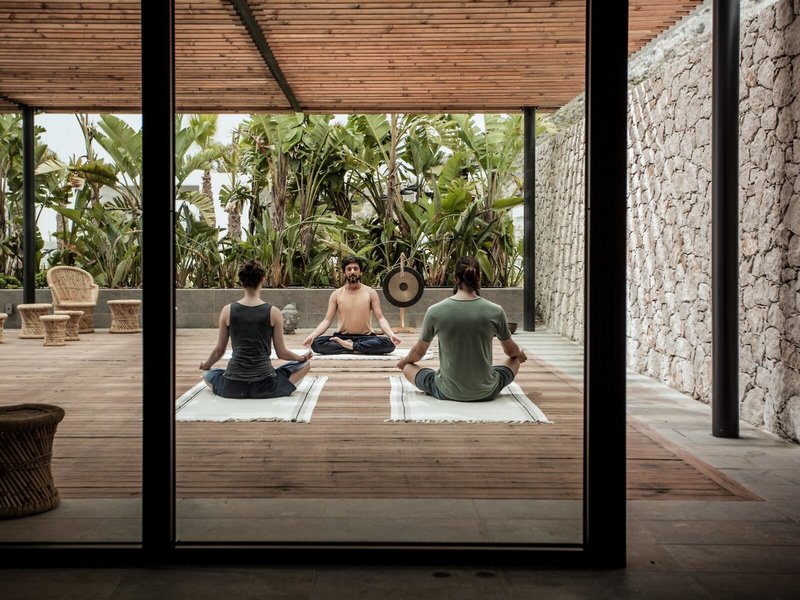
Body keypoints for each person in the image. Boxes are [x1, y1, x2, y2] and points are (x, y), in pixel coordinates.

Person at [396, 255, 527, 401]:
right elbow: (510, 351)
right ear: (479, 278)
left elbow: (418, 353)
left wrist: (404, 361)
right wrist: (520, 354)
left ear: (456, 279)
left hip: (446, 391)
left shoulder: (434, 311)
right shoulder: (496, 311)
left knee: (408, 367)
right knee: (515, 360)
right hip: (487, 392)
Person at [200, 259, 313, 398]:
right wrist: (302, 357)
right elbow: (282, 353)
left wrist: (206, 364)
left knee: (208, 373)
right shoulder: (274, 312)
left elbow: (219, 351)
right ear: (262, 280)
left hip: (232, 386)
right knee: (305, 365)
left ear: (241, 281)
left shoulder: (227, 310)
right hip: (266, 385)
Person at [303, 255, 401, 355]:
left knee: (389, 343)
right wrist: (312, 336)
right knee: (316, 343)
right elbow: (327, 320)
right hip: (342, 337)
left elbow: (380, 318)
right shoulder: (336, 294)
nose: (352, 271)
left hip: (366, 338)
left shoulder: (371, 293)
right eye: (349, 269)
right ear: (344, 273)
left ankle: (350, 346)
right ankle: (358, 347)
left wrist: (391, 334)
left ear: (360, 272)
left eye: (355, 269)